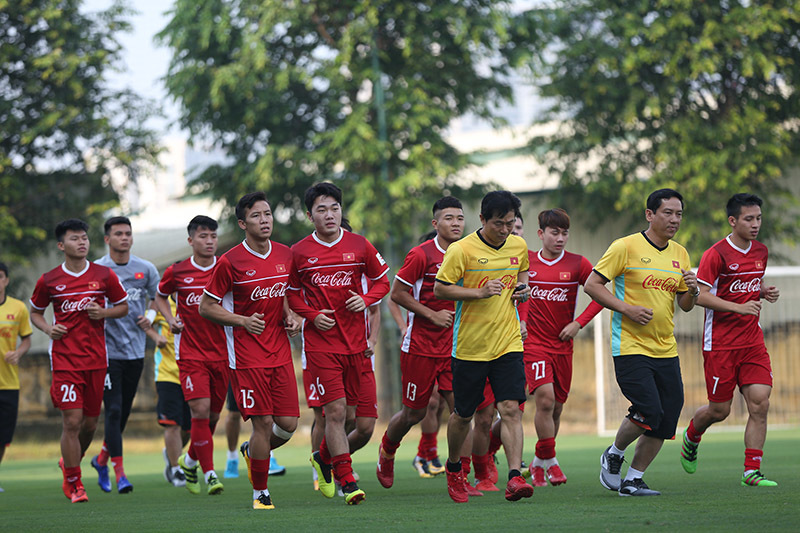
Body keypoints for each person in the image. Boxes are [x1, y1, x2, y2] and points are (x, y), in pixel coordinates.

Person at [585, 188, 698, 497]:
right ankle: (614, 453)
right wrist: (626, 308)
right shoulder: (625, 247)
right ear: (650, 215)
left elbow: (685, 304)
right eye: (668, 213)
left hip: (666, 348)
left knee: (666, 416)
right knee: (648, 409)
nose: (674, 219)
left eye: (678, 214)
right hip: (630, 346)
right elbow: (592, 284)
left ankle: (634, 479)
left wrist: (694, 290)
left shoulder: (680, 253)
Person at [287, 182, 390, 505]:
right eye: (321, 209)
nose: (329, 215)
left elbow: (383, 281)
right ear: (310, 215)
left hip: (358, 346)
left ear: (341, 211)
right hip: (321, 347)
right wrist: (311, 316)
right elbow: (290, 294)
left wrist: (367, 298)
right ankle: (346, 480)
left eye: (334, 208)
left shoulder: (360, 245)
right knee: (334, 412)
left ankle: (323, 456)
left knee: (365, 425)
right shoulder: (299, 252)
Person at [199, 192, 301, 509]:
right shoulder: (230, 262)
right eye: (256, 216)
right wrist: (242, 321)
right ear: (243, 223)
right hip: (245, 356)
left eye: (268, 214)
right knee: (263, 424)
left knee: (288, 424)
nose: (265, 220)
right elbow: (206, 307)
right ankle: (260, 492)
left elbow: (286, 295)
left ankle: (253, 452)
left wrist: (292, 315)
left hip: (280, 352)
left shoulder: (285, 255)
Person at [434, 190, 534, 503]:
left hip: (508, 342)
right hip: (470, 347)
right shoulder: (461, 250)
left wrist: (523, 289)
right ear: (482, 220)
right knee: (463, 415)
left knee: (510, 411)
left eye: (510, 223)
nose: (505, 230)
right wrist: (478, 293)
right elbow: (440, 288)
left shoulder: (518, 245)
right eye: (498, 224)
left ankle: (515, 477)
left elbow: (522, 273)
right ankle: (453, 468)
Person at [680, 193, 780, 487]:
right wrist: (739, 306)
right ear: (733, 221)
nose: (755, 224)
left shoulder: (761, 251)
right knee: (719, 411)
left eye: (758, 218)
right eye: (749, 219)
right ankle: (692, 435)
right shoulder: (716, 254)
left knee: (760, 403)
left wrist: (762, 292)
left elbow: (746, 286)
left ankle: (751, 471)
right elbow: (700, 297)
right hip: (720, 344)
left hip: (752, 342)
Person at [29, 219, 129, 503]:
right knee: (72, 422)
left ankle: (69, 462)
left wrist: (104, 313)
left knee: (89, 425)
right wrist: (49, 329)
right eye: (75, 239)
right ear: (62, 246)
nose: (82, 242)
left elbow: (123, 306)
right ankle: (74, 483)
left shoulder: (104, 275)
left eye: (84, 238)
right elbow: (35, 312)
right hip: (65, 360)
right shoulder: (49, 280)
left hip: (97, 360)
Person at [376, 196, 465, 489]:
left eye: (460, 218)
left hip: (457, 347)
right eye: (449, 218)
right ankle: (387, 450)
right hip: (420, 347)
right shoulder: (421, 255)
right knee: (414, 412)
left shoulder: (471, 253)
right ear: (435, 223)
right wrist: (431, 314)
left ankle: (459, 475)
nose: (455, 223)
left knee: (463, 411)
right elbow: (396, 295)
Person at [516, 209, 603, 486]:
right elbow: (517, 292)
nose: (561, 238)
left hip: (563, 346)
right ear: (541, 234)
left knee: (556, 409)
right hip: (534, 344)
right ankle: (552, 461)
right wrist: (522, 321)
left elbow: (601, 295)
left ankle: (539, 464)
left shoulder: (578, 264)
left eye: (565, 233)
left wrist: (578, 323)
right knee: (545, 400)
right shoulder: (526, 261)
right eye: (555, 232)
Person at [155, 215, 228, 497]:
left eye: (213, 236)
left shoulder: (226, 268)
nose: (209, 241)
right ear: (191, 241)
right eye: (203, 236)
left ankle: (189, 461)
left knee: (210, 418)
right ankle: (210, 474)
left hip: (223, 354)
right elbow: (160, 295)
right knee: (198, 412)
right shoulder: (177, 271)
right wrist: (170, 317)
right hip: (190, 353)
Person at [92, 216, 160, 494]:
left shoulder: (145, 269)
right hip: (106, 353)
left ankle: (100, 459)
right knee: (114, 410)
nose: (125, 238)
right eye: (118, 233)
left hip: (135, 351)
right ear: (107, 239)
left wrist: (152, 316)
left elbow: (159, 296)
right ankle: (120, 473)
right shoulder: (96, 270)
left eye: (128, 233)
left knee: (123, 414)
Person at [0, 261, 33, 493]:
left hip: (9, 382)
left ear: (6, 280)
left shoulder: (18, 307)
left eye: (0, 277)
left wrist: (18, 353)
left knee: (3, 435)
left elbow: (27, 340)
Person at [152, 297, 189, 488]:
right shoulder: (162, 303)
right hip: (167, 373)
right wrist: (155, 336)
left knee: (190, 427)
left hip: (192, 371)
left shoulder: (196, 299)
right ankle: (176, 469)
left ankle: (172, 453)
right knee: (172, 424)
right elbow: (145, 322)